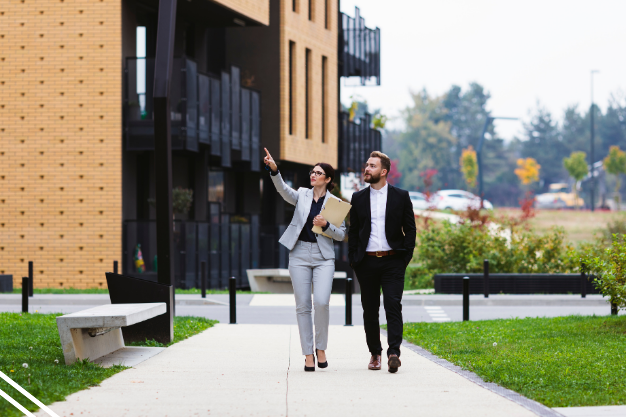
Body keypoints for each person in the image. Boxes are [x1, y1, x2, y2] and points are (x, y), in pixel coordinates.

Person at [264, 148, 346, 372]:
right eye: (312, 171)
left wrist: (327, 225)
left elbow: (342, 234)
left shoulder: (336, 203)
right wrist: (274, 170)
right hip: (299, 253)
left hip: (323, 257)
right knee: (302, 306)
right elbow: (283, 190)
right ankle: (308, 354)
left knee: (321, 302)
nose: (313, 174)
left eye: (318, 173)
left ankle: (321, 348)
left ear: (328, 179)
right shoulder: (302, 194)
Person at [348, 151, 416, 373]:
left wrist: (404, 257)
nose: (366, 169)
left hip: (393, 261)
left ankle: (393, 352)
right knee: (370, 309)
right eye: (366, 165)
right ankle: (375, 354)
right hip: (366, 262)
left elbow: (410, 229)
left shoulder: (401, 196)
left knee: (393, 305)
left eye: (372, 166)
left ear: (384, 171)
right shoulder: (358, 198)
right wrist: (354, 260)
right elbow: (354, 231)